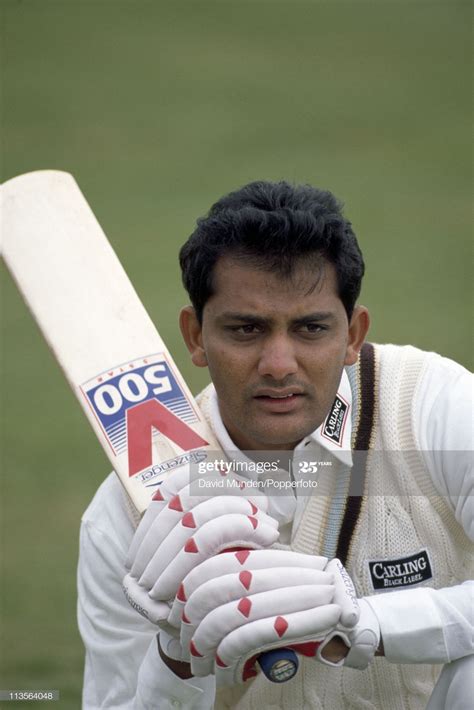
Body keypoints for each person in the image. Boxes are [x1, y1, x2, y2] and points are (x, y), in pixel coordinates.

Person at [78, 181, 473, 709]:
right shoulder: (128, 511)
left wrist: (358, 623)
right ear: (195, 336)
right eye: (246, 329)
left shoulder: (432, 404)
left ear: (353, 335)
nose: (279, 364)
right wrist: (175, 655)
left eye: (311, 328)